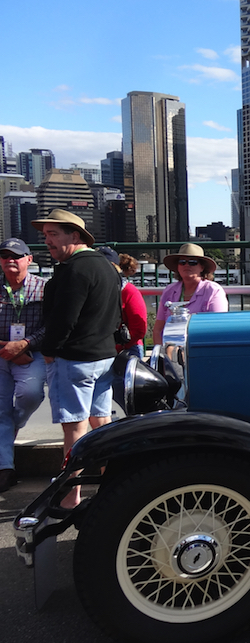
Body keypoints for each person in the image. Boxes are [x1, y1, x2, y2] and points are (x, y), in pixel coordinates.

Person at [34, 209, 122, 505]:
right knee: (102, 423)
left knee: (75, 428)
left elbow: (63, 320)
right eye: (45, 235)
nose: (47, 240)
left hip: (74, 360)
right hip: (104, 357)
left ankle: (71, 495)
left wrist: (49, 352)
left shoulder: (73, 270)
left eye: (53, 234)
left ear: (75, 236)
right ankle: (114, 484)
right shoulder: (107, 268)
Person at [0, 238, 47, 492]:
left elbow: (50, 326)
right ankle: (5, 470)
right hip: (0, 354)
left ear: (29, 259)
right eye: (5, 256)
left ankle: (14, 424)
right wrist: (6, 348)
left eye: (16, 256)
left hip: (31, 353)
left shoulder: (44, 288)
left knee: (31, 395)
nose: (10, 260)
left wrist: (24, 345)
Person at [152, 243, 229, 346]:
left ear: (202, 267)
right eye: (182, 262)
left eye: (192, 262)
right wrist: (162, 355)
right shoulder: (169, 291)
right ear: (178, 267)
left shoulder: (213, 291)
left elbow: (218, 329)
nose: (186, 265)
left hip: (201, 350)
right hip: (170, 352)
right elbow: (157, 330)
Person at [97, 247, 148, 359]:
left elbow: (139, 330)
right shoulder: (91, 291)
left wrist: (116, 347)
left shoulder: (129, 292)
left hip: (126, 349)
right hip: (98, 350)